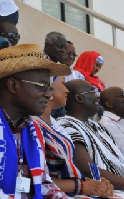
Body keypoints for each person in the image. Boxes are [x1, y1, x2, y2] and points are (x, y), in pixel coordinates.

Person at [0, 44, 70, 198]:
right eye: (42, 86)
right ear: (13, 85)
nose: (48, 95)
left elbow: (44, 184)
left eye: (49, 88)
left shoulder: (32, 129)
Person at [57, 79, 124, 192]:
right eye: (92, 91)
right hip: (112, 190)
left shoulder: (96, 126)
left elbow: (121, 159)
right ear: (79, 98)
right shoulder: (66, 125)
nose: (97, 96)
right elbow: (90, 170)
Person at [32, 76, 114, 198]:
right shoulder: (31, 125)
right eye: (63, 84)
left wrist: (94, 183)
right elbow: (35, 181)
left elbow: (66, 171)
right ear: (48, 88)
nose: (67, 91)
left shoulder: (54, 123)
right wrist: (83, 186)